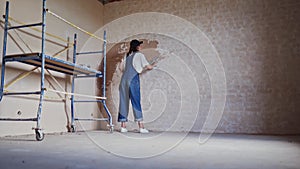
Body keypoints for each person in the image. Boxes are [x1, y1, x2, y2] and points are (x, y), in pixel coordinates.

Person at [118, 39, 155, 133]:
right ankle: (141, 127)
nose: (141, 47)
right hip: (133, 79)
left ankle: (123, 126)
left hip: (123, 80)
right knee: (136, 101)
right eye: (140, 45)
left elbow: (121, 69)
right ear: (137, 47)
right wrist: (153, 65)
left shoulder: (127, 56)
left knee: (123, 102)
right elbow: (148, 67)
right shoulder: (140, 55)